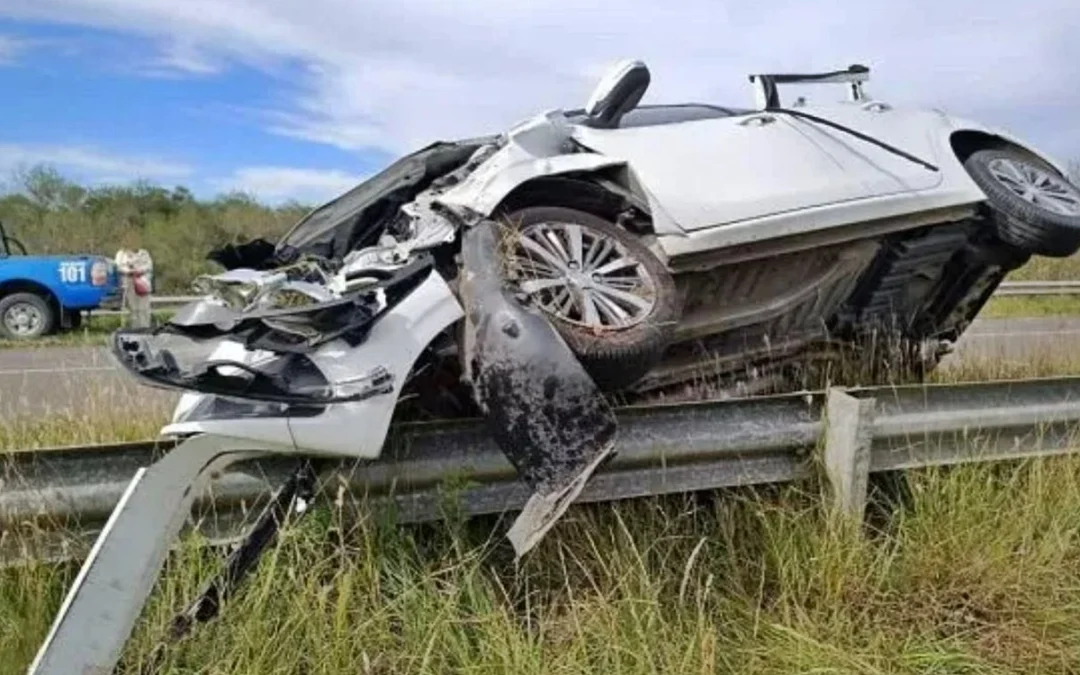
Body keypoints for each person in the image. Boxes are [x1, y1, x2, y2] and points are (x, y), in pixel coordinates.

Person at [115, 232, 154, 329]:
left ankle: (145, 327)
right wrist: (129, 271)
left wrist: (139, 270)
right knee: (134, 308)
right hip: (129, 284)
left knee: (144, 307)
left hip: (143, 284)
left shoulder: (144, 253)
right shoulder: (121, 254)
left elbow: (149, 266)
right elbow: (118, 267)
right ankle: (135, 328)